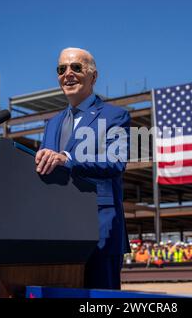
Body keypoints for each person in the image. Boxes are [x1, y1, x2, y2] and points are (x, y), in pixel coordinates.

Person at [35, 47, 131, 290]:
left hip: (100, 229)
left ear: (93, 77)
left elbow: (116, 162)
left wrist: (67, 159)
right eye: (61, 69)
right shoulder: (51, 124)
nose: (68, 73)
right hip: (56, 232)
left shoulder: (115, 116)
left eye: (76, 67)